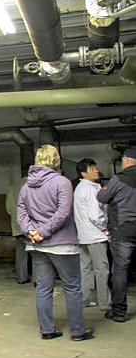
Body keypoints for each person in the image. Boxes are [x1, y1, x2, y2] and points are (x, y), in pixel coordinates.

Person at [17, 144, 93, 341]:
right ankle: (77, 331)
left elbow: (21, 215)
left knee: (43, 288)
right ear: (56, 160)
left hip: (36, 245)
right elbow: (63, 212)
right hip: (62, 245)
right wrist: (43, 232)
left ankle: (47, 329)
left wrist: (32, 232)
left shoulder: (26, 186)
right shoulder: (62, 182)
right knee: (72, 287)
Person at [98, 148, 136, 323]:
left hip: (122, 231)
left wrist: (104, 188)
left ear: (125, 161)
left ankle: (119, 312)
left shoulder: (118, 179)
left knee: (120, 271)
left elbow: (102, 198)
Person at [73, 158, 111, 311]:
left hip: (83, 235)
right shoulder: (90, 189)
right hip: (95, 235)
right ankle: (105, 303)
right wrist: (105, 228)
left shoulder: (80, 188)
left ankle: (85, 299)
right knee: (102, 270)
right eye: (92, 168)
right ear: (84, 173)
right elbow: (95, 215)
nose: (96, 170)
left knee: (85, 269)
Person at [5, 174, 31, 284]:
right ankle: (38, 279)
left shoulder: (12, 188)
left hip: (18, 225)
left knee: (21, 252)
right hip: (32, 224)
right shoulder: (33, 186)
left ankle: (22, 277)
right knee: (37, 253)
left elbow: (8, 209)